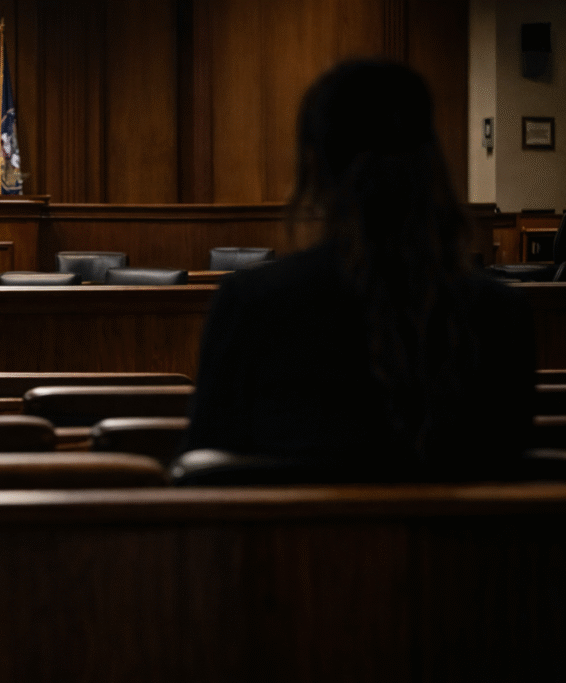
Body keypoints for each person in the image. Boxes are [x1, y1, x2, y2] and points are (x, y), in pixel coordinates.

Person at [177, 59, 535, 474]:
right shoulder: (503, 315)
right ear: (431, 158)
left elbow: (206, 473)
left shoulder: (253, 305)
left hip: (293, 541)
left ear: (314, 165)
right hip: (467, 542)